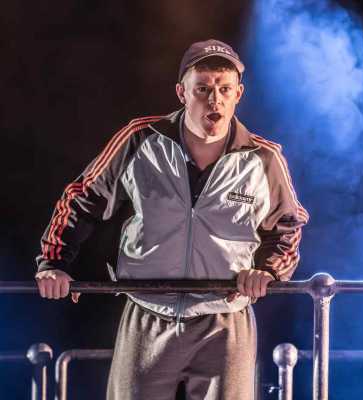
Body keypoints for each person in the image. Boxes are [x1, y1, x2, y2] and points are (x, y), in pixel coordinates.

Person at [35, 39, 309, 400]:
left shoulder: (264, 158)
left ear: (238, 94)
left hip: (224, 319)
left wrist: (269, 271)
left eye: (225, 89)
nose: (215, 100)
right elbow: (81, 199)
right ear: (182, 92)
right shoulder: (139, 139)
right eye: (203, 89)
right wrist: (53, 264)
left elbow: (288, 226)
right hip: (148, 311)